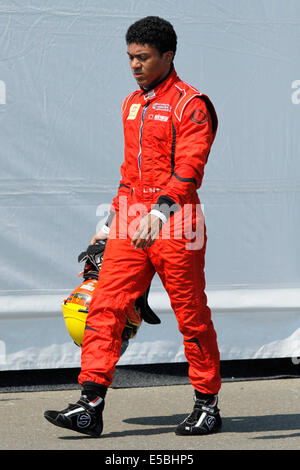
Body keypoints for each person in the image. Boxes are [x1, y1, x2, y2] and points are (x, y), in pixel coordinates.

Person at [44, 16, 221, 437]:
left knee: (191, 316)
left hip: (178, 222)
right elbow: (128, 173)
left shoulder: (191, 103)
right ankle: (89, 405)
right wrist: (108, 224)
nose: (134, 65)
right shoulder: (131, 103)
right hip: (130, 221)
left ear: (168, 56)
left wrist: (159, 213)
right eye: (130, 57)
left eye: (142, 57)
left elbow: (190, 167)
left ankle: (207, 405)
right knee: (104, 309)